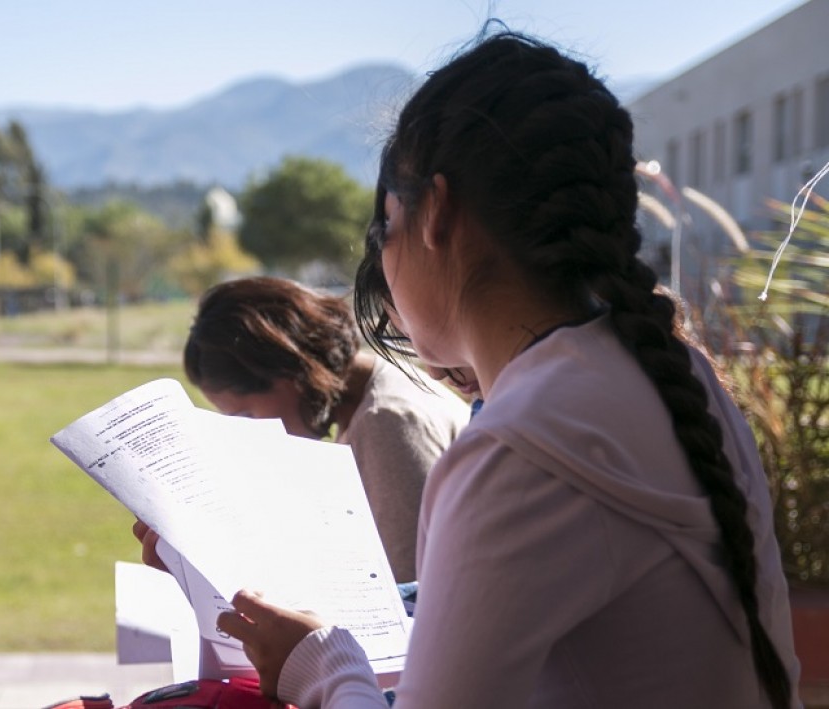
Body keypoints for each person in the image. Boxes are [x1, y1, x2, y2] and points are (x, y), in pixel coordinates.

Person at [216, 32, 802, 708]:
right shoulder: (664, 372)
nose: (381, 260)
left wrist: (318, 663)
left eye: (385, 225)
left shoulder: (525, 448)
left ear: (435, 211)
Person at [135, 276, 469, 584]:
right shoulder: (364, 404)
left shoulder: (387, 423)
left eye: (248, 414)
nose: (251, 433)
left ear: (289, 372)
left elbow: (405, 591)